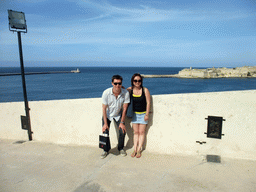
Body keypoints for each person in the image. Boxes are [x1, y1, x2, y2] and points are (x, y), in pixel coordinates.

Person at [101, 75, 130, 159]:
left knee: (122, 131)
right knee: (105, 132)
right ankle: (105, 150)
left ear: (121, 84)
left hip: (118, 115)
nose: (117, 85)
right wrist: (105, 124)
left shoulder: (125, 93)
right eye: (115, 83)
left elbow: (125, 108)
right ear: (112, 83)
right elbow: (104, 108)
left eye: (119, 83)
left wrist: (122, 122)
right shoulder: (106, 92)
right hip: (107, 115)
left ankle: (120, 148)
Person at [127, 73, 151, 158]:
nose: (137, 82)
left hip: (143, 114)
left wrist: (147, 114)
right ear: (132, 81)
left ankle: (139, 149)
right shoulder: (130, 90)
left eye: (139, 81)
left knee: (142, 132)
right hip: (134, 114)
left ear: (141, 81)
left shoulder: (145, 90)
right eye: (135, 81)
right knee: (136, 133)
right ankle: (135, 149)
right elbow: (123, 92)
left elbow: (148, 102)